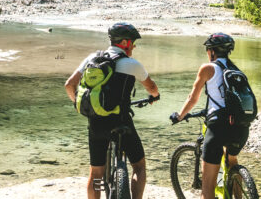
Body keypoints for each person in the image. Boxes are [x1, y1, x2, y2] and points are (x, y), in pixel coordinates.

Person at [65, 22, 160, 199]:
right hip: (121, 122)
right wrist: (155, 95)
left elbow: (69, 85)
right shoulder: (132, 64)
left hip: (95, 124)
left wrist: (82, 108)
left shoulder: (92, 59)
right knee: (139, 166)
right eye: (132, 42)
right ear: (124, 43)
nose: (133, 46)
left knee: (96, 173)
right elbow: (151, 87)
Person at [169, 32, 250, 199]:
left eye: (208, 49)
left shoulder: (208, 68)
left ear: (212, 51)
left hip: (218, 127)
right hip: (240, 127)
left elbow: (193, 98)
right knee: (231, 161)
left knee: (208, 187)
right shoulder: (236, 70)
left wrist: (179, 115)